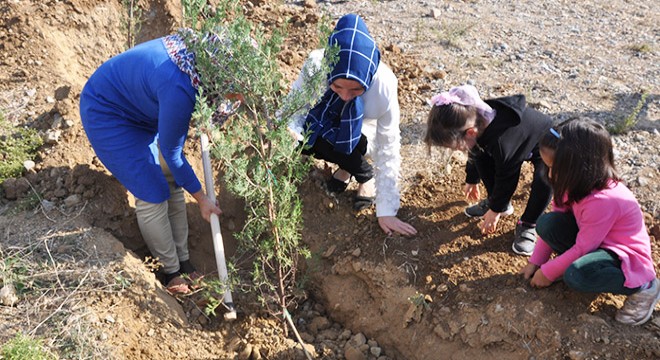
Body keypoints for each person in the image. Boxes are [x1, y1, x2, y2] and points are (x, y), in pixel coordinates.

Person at [80, 29, 228, 295]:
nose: (237, 99)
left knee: (170, 179)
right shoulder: (180, 87)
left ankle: (183, 261)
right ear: (220, 73)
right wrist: (202, 199)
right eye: (235, 93)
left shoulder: (199, 62)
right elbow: (172, 153)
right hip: (108, 114)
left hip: (141, 108)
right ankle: (170, 271)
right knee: (152, 192)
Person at [519, 119, 659, 325]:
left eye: (554, 168)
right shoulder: (572, 183)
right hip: (595, 242)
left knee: (577, 275)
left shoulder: (604, 200)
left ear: (580, 167)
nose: (550, 175)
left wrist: (548, 272)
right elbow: (559, 219)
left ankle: (644, 288)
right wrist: (536, 262)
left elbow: (584, 248)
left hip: (623, 256)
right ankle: (570, 267)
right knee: (548, 223)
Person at [288, 14, 417, 236]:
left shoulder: (384, 84)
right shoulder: (317, 65)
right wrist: (288, 141)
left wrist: (386, 209)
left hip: (366, 133)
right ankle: (348, 165)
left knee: (351, 142)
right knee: (308, 141)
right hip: (326, 122)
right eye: (337, 87)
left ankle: (364, 175)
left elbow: (388, 145)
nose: (346, 96)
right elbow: (291, 110)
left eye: (356, 90)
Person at [424, 85, 553, 255]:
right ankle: (499, 202)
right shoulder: (476, 122)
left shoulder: (502, 144)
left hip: (543, 143)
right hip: (511, 147)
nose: (456, 150)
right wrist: (472, 179)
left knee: (546, 178)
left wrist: (495, 211)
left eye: (455, 146)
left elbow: (507, 177)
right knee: (480, 155)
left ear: (470, 132)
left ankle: (529, 224)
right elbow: (473, 151)